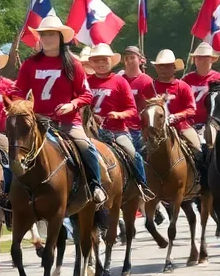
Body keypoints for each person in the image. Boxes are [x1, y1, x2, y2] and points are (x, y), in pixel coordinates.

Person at [14, 14, 104, 205]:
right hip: (37, 122)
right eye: (44, 35)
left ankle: (96, 185)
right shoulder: (30, 64)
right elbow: (18, 91)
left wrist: (72, 104)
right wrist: (22, 106)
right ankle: (10, 195)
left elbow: (86, 95)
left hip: (67, 122)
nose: (47, 39)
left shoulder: (73, 64)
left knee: (86, 146)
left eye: (52, 35)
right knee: (16, 150)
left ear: (61, 38)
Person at [85, 43, 148, 192]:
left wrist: (118, 114)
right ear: (91, 63)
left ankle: (142, 187)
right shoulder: (86, 81)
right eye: (97, 60)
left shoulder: (120, 81)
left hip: (116, 130)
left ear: (111, 61)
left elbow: (132, 110)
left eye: (104, 60)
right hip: (89, 130)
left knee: (133, 154)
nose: (101, 63)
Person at [150, 49, 201, 159]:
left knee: (198, 148)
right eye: (160, 66)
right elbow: (142, 108)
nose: (163, 69)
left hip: (181, 127)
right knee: (139, 151)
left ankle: (199, 174)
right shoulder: (149, 86)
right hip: (155, 128)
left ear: (174, 68)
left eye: (167, 66)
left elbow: (192, 109)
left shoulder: (183, 86)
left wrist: (176, 116)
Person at [182, 42, 220, 131]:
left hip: (212, 125)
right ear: (194, 60)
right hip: (188, 123)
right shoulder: (186, 79)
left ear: (212, 59)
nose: (202, 61)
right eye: (199, 58)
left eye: (206, 58)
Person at [119, 46, 155, 154]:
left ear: (140, 60)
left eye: (132, 58)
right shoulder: (119, 80)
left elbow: (153, 106)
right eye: (126, 58)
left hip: (138, 129)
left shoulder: (147, 81)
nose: (129, 61)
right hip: (119, 128)